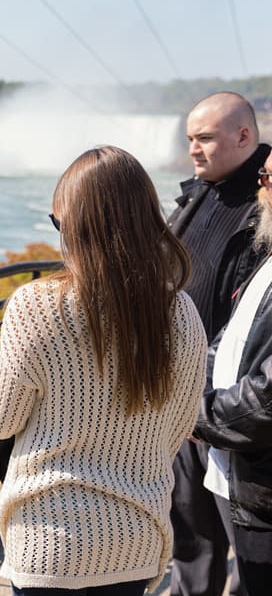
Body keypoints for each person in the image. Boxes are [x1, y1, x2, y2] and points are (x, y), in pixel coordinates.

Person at [0, 146, 207, 595]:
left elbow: (0, 423)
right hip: (135, 540)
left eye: (59, 224)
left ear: (77, 228)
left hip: (48, 541)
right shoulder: (181, 312)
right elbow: (180, 424)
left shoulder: (36, 305)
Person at [167, 92, 270, 596]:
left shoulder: (264, 207)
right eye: (190, 139)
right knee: (189, 541)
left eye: (204, 138)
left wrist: (204, 407)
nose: (194, 150)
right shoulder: (196, 195)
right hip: (185, 400)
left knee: (247, 548)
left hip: (231, 413)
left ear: (243, 137)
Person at [190, 150, 272, 595]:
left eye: (270, 178)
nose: (261, 187)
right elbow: (229, 340)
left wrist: (194, 416)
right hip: (241, 474)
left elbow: (268, 398)